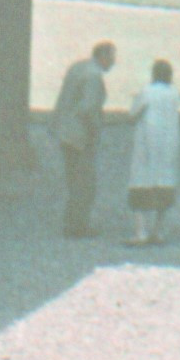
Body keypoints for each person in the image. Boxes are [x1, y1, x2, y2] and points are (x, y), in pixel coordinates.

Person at [50, 40, 115, 238]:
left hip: (64, 130)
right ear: (103, 57)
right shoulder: (94, 76)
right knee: (85, 183)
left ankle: (71, 222)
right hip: (80, 136)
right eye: (112, 58)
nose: (113, 63)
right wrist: (95, 130)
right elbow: (88, 108)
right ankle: (78, 226)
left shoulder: (78, 67)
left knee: (73, 180)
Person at [125, 58, 180, 245]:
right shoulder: (174, 94)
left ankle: (141, 231)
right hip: (168, 145)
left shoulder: (146, 92)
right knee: (164, 185)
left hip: (146, 145)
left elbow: (133, 114)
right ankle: (158, 231)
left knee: (140, 185)